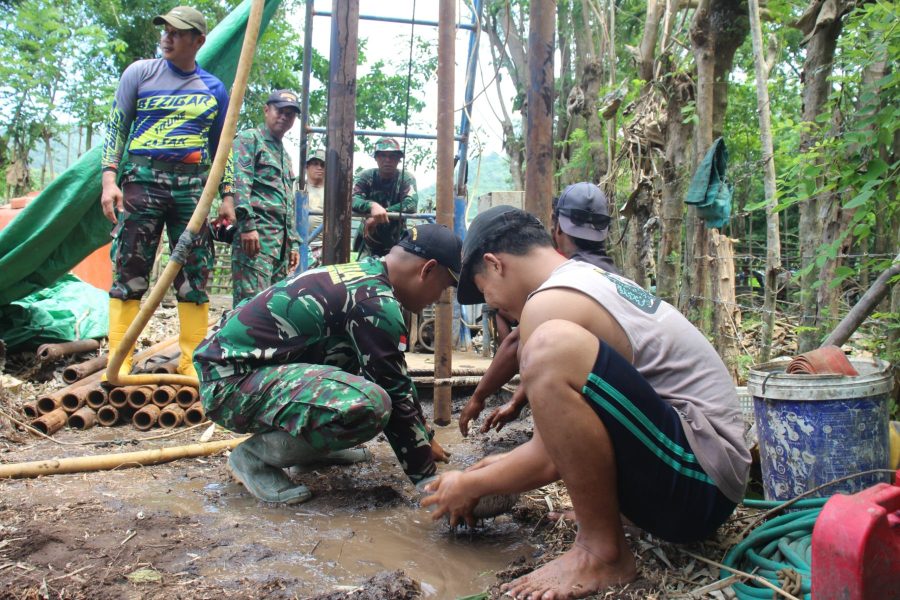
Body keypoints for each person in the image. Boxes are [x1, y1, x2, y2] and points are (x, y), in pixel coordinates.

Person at [422, 206, 750, 599]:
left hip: (700, 484)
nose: (493, 306)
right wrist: (492, 473)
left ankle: (601, 551)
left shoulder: (548, 304)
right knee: (548, 352)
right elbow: (570, 438)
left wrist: (467, 483)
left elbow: (546, 459)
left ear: (494, 264)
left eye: (485, 293)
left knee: (549, 347)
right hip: (695, 474)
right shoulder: (584, 279)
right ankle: (611, 522)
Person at [193, 223, 462, 504]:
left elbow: (394, 375)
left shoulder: (365, 274)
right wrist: (428, 479)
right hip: (229, 385)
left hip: (242, 371)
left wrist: (423, 436)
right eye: (443, 286)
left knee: (355, 366)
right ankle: (254, 458)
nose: (439, 296)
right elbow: (394, 389)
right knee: (369, 405)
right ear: (427, 270)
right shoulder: (375, 302)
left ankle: (315, 448)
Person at [100, 6, 233, 379]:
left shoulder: (214, 89)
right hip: (142, 180)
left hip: (193, 187)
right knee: (130, 270)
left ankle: (191, 362)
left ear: (199, 41)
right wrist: (109, 180)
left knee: (195, 273)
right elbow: (116, 127)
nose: (168, 37)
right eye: (166, 30)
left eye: (178, 32)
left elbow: (225, 147)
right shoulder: (139, 74)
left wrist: (228, 195)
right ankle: (120, 359)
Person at [459, 182, 621, 437]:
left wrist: (479, 397)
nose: (488, 301)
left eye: (483, 290)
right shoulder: (607, 274)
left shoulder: (560, 288)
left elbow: (517, 344)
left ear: (556, 228)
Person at [221, 90, 301, 306]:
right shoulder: (250, 139)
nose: (284, 117)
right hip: (256, 242)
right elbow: (240, 183)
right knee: (249, 310)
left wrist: (292, 244)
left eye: (290, 114)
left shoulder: (285, 155)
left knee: (273, 310)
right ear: (267, 110)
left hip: (279, 248)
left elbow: (287, 202)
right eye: (280, 111)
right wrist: (247, 226)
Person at [351, 137, 418, 257]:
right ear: (376, 158)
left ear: (399, 159)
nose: (387, 160)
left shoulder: (406, 178)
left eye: (392, 156)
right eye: (383, 155)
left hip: (397, 240)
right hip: (369, 239)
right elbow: (352, 199)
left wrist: (381, 214)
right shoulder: (365, 176)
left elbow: (411, 203)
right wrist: (372, 206)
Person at [303, 148, 326, 261]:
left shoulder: (332, 191)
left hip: (325, 246)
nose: (319, 168)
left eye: (323, 165)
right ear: (306, 167)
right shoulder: (297, 185)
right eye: (315, 164)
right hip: (298, 243)